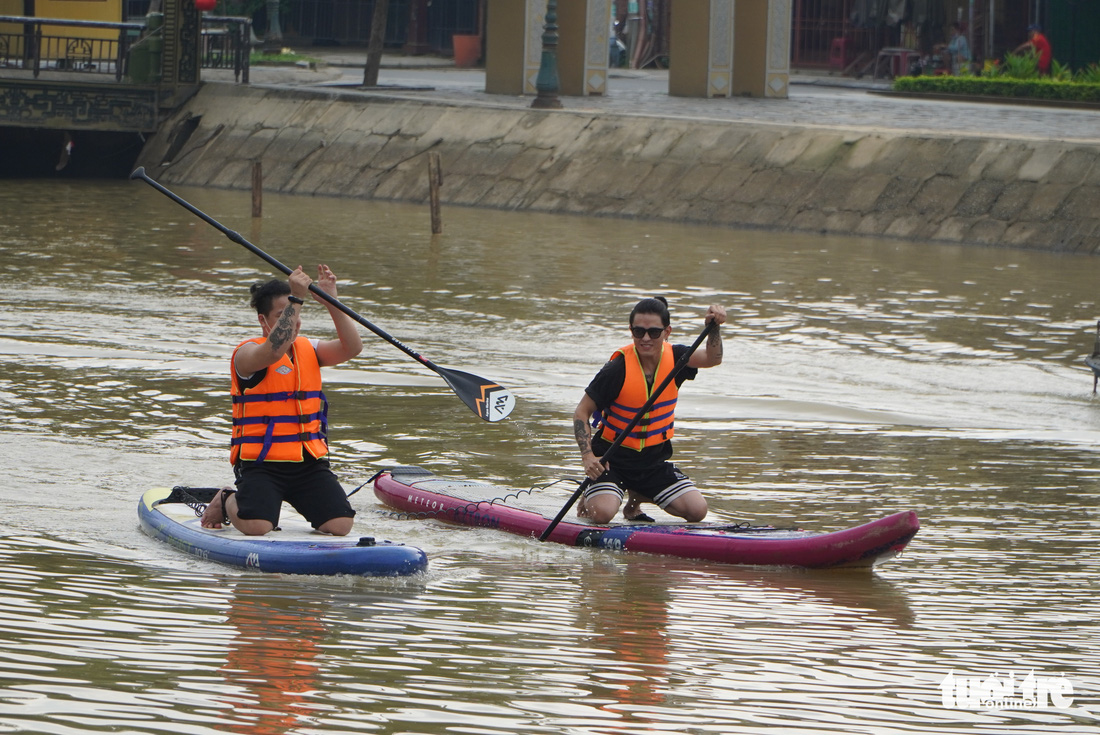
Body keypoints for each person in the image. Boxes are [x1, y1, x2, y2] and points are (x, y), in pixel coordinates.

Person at [202, 264, 363, 536]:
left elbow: (353, 347)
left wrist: (332, 302)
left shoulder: (309, 349)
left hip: (308, 461)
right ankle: (227, 498)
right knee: (257, 527)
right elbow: (275, 348)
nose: (295, 321)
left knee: (340, 525)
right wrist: (296, 299)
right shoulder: (248, 354)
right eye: (284, 314)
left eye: (297, 313)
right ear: (263, 321)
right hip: (261, 463)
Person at [573, 297, 726, 525]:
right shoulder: (617, 369)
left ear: (667, 332)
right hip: (612, 459)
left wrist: (713, 328)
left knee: (697, 511)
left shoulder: (677, 358)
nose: (645, 338)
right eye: (638, 332)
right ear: (631, 331)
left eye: (654, 332)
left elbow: (713, 359)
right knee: (602, 514)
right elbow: (581, 413)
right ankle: (589, 498)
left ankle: (634, 502)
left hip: (652, 462)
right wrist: (588, 457)